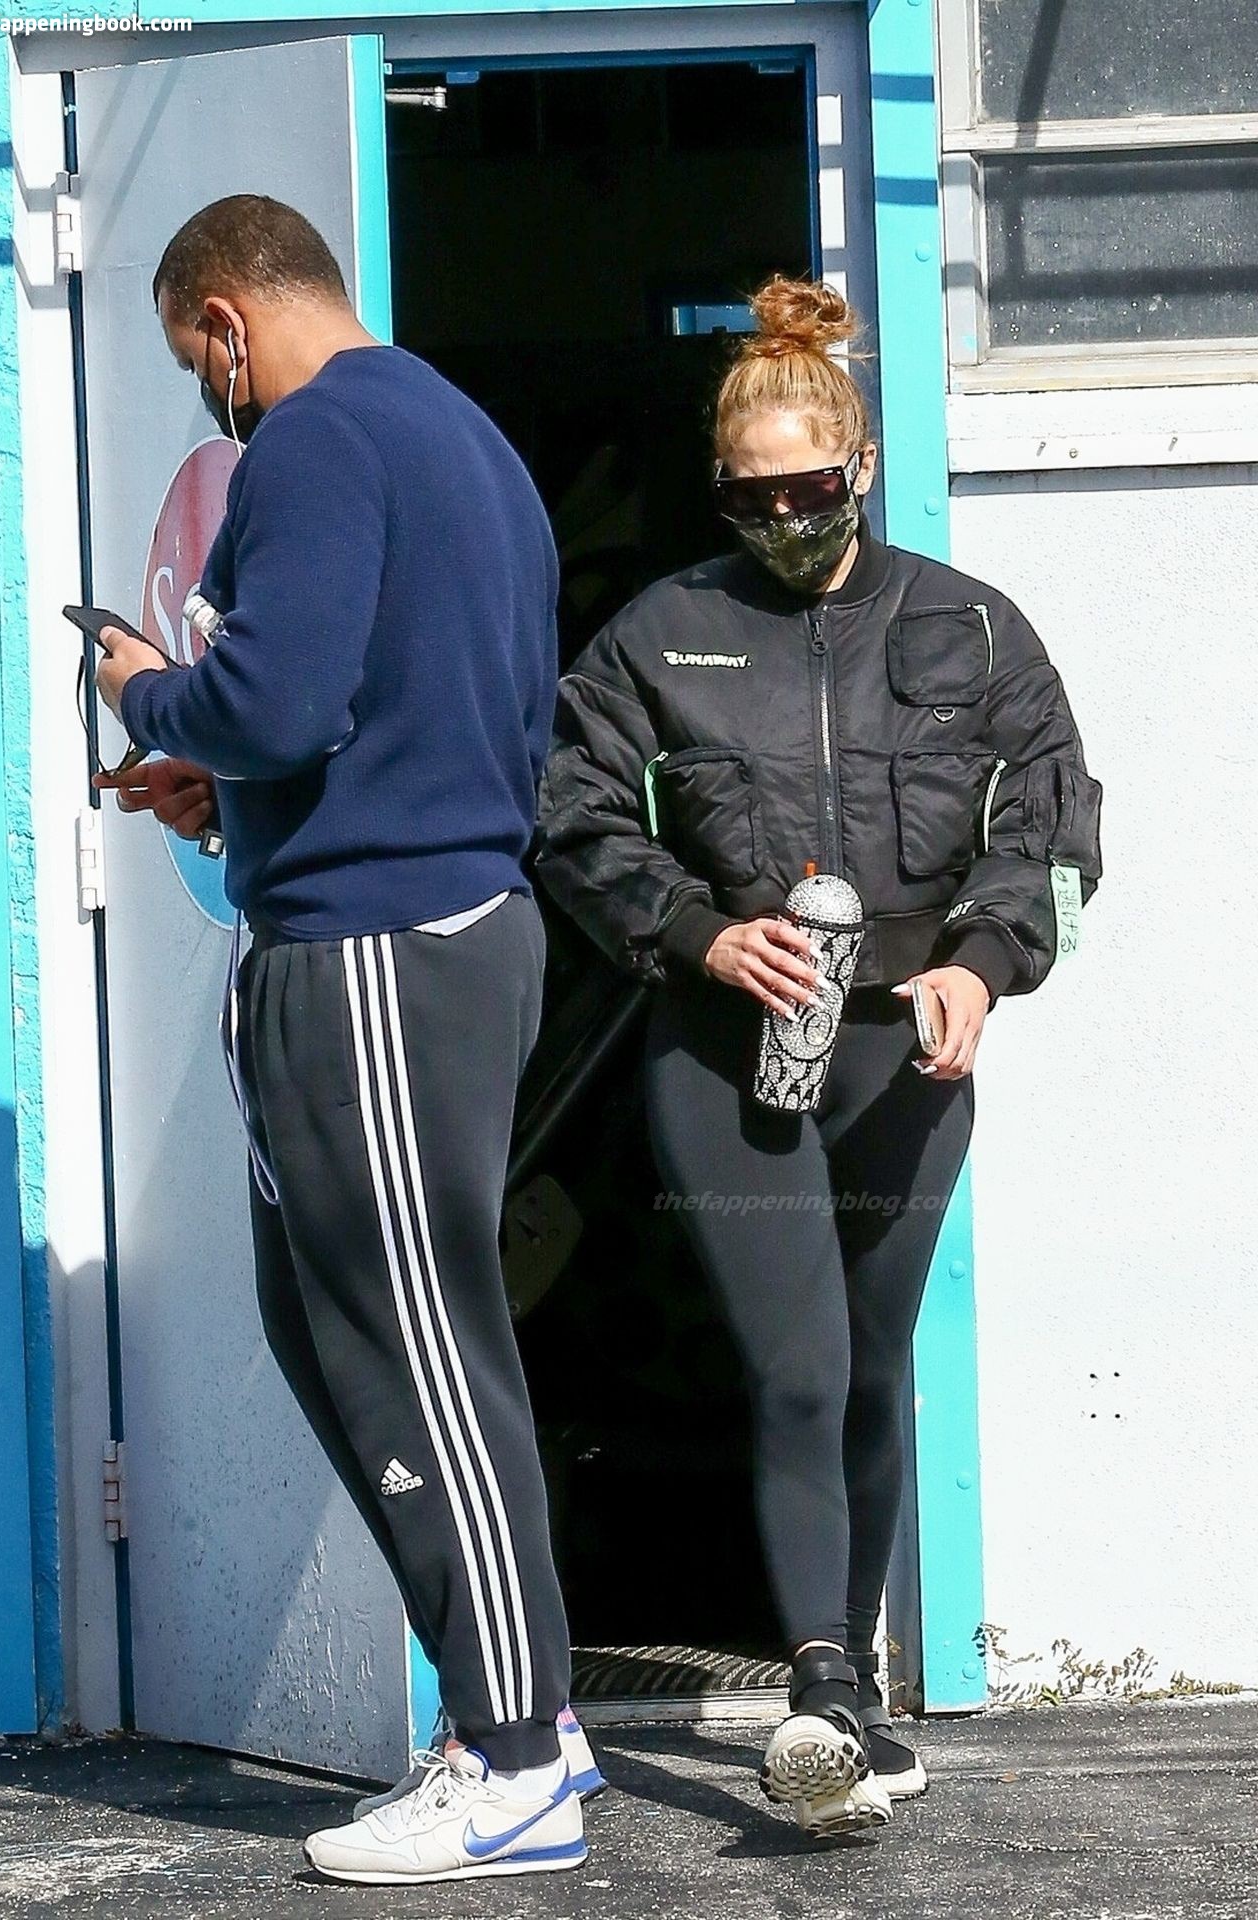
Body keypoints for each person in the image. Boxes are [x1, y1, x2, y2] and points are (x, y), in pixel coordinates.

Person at [534, 276, 1102, 1838]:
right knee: (796, 1363)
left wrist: (983, 966)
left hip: (905, 1058)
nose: (782, 518)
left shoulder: (972, 627)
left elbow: (1053, 830)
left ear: (859, 465)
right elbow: (571, 820)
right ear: (720, 490)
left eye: (807, 490)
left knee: (871, 1363)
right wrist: (698, 935)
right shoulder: (663, 632)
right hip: (726, 1055)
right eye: (749, 496)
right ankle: (825, 1692)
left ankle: (849, 1694)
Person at [92, 193, 603, 1888]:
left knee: (409, 1348)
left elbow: (275, 697)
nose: (211, 401)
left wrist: (146, 691)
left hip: (377, 946)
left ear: (228, 323)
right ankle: (523, 1718)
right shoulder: (463, 437)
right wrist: (233, 783)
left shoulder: (314, 441)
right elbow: (403, 706)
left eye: (198, 367)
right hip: (433, 925)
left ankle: (511, 1757)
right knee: (364, 1337)